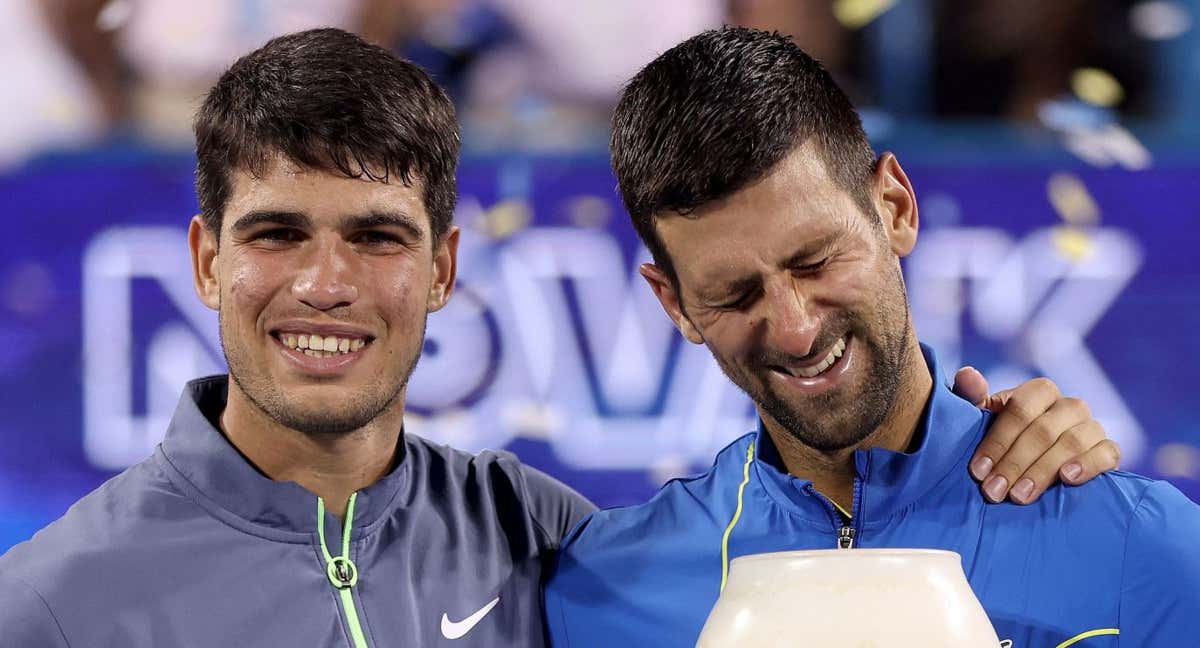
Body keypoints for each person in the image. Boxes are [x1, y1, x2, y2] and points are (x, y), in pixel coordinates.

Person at [0, 28, 1117, 647]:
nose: (327, 284)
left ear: (443, 270)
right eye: (278, 233)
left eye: (379, 237)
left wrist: (1007, 439)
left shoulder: (547, 550)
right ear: (206, 259)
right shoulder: (52, 604)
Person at [543, 27, 1200, 647]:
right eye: (735, 295)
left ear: (895, 209)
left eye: (816, 262)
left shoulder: (1140, 556)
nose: (796, 330)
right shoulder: (597, 594)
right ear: (674, 303)